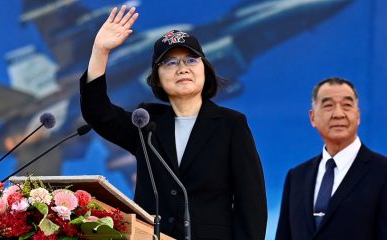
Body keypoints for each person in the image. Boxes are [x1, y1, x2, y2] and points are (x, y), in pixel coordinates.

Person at [80, 5, 267, 240]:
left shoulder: (231, 125)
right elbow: (97, 112)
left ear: (205, 70)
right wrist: (100, 52)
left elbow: (251, 203)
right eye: (170, 63)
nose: (182, 69)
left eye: (191, 60)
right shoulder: (145, 123)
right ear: (156, 78)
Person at [276, 77, 387, 240]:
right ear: (312, 117)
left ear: (358, 116)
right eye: (328, 106)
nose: (338, 114)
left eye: (347, 105)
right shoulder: (296, 177)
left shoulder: (382, 172)